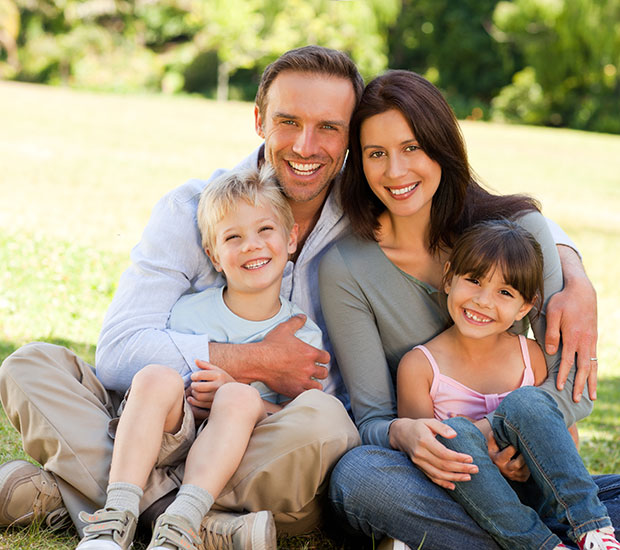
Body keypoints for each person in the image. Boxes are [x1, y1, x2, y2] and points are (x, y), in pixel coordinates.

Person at [0, 47, 599, 545]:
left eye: (329, 129)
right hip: (165, 421)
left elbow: (488, 207)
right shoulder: (192, 209)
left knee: (327, 425)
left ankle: (95, 498)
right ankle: (192, 523)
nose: (306, 146)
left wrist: (572, 275)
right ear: (258, 117)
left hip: (273, 446)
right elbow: (120, 348)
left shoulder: (371, 204)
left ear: (348, 140)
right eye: (288, 121)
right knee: (30, 367)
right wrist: (247, 362)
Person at [319, 69, 619, 550]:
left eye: (412, 147)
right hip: (443, 480)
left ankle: (550, 536)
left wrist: (503, 437)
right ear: (361, 163)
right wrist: (405, 435)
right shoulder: (345, 267)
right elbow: (372, 419)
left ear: (441, 145)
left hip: (531, 472)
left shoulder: (519, 232)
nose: (396, 172)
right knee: (358, 478)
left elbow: (575, 391)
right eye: (377, 154)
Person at [75, 165, 327, 550]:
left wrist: (244, 401)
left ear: (290, 237)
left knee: (240, 397)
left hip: (242, 458)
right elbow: (156, 383)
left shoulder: (302, 335)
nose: (252, 245)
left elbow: (296, 419)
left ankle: (180, 521)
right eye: (233, 237)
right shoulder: (188, 313)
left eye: (265, 230)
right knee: (155, 376)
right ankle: (116, 516)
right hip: (176, 438)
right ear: (213, 254)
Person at [397, 219, 619, 550]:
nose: (484, 301)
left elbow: (563, 441)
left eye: (504, 292)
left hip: (539, 496)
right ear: (448, 278)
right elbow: (422, 457)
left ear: (525, 307)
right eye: (473, 280)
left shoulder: (531, 356)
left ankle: (594, 532)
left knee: (526, 403)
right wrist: (485, 459)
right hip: (470, 503)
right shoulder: (419, 367)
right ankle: (544, 546)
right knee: (453, 436)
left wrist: (531, 460)